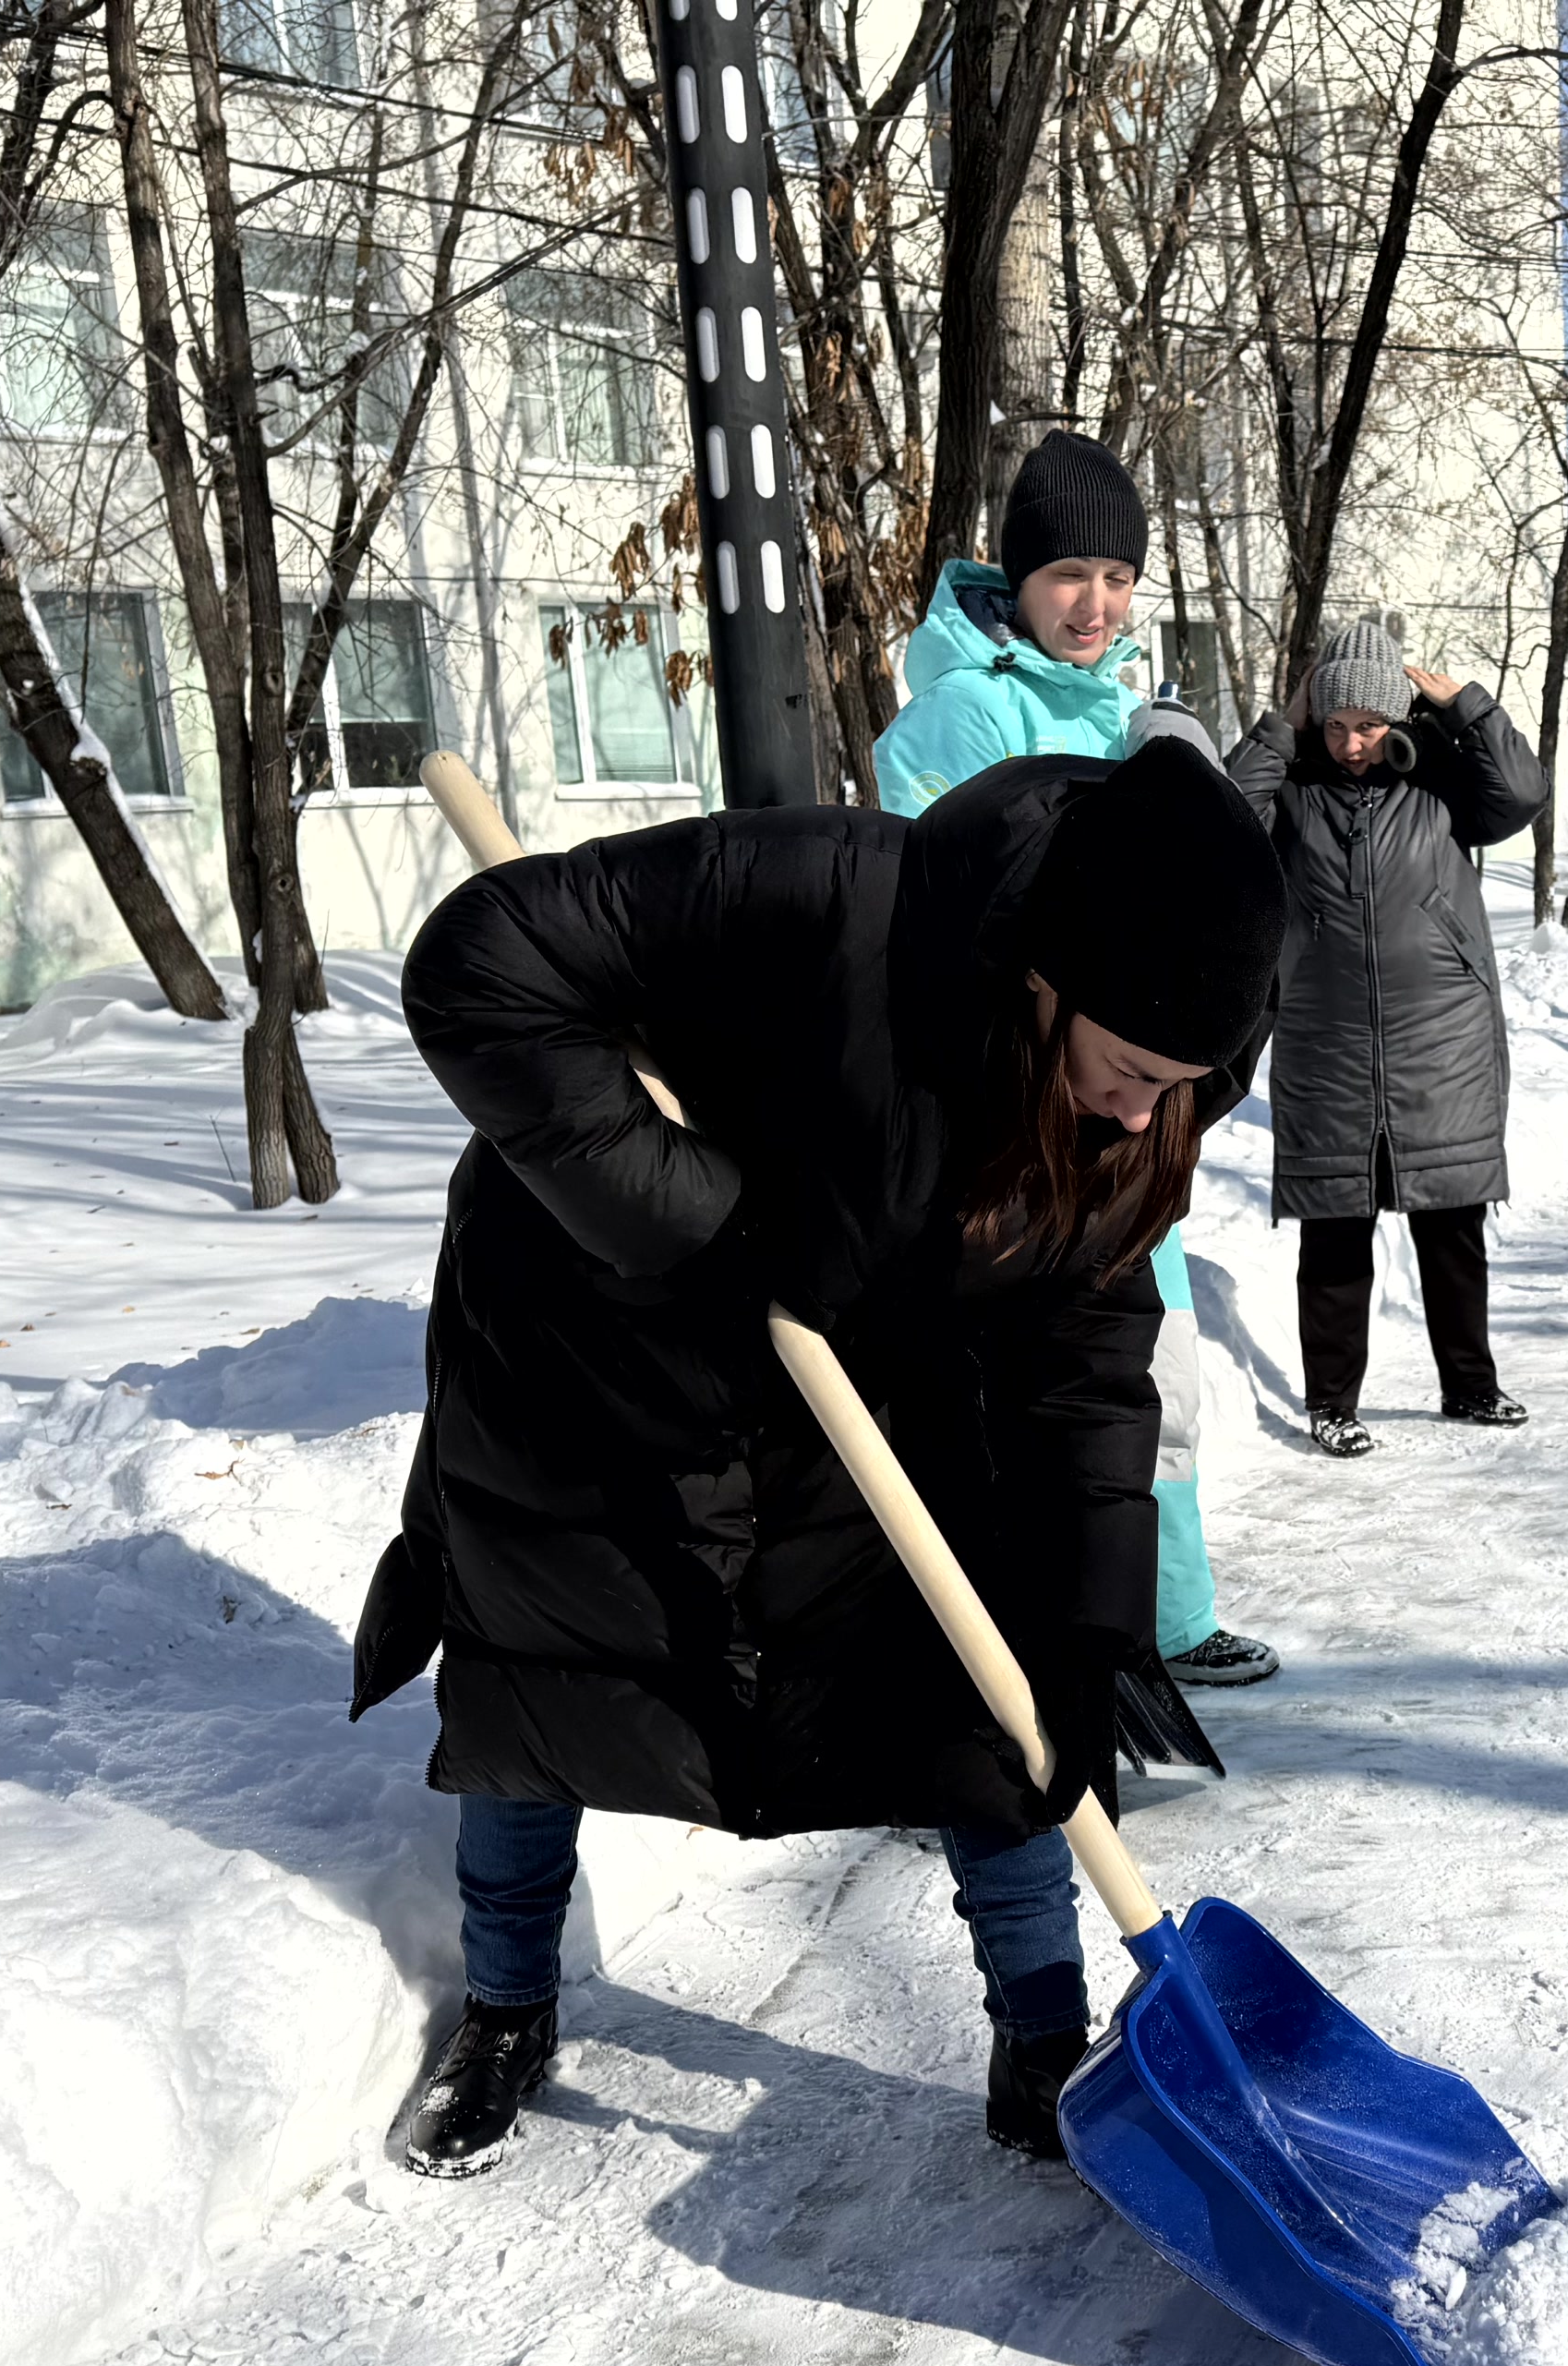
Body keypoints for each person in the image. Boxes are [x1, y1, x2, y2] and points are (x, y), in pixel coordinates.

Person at [353, 739, 1287, 2179]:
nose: (1142, 1114)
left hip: (856, 1343)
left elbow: (1087, 1355)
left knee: (997, 1684)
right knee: (551, 1666)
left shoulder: (1151, 1088)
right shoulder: (824, 895)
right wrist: (696, 1216)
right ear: (1048, 981)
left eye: (1182, 1086)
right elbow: (482, 964)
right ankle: (505, 2010)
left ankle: (1044, 2039)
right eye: (1128, 1072)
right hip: (598, 1330)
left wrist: (1086, 1624)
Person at [871, 433, 1281, 1695]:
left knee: (1150, 1375)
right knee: (1039, 1383)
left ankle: (1166, 1615)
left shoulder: (1133, 707)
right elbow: (946, 910)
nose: (1094, 604)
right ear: (1017, 573)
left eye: (1116, 577)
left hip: (1126, 1105)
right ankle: (1048, 1640)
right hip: (1028, 1108)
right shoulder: (962, 710)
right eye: (1067, 575)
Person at [1228, 617, 1544, 1459]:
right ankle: (1332, 1403)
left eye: (1368, 725)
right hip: (1327, 1041)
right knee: (1334, 1231)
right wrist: (1282, 725)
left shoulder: (1441, 781)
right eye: (1335, 725)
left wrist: (1467, 705)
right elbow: (1223, 819)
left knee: (1451, 1225)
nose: (1351, 745)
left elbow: (1520, 795)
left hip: (1441, 1037)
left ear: (1397, 719)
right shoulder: (1293, 788)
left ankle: (1469, 1385)